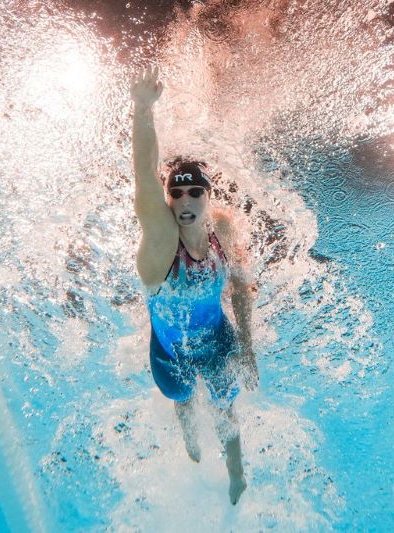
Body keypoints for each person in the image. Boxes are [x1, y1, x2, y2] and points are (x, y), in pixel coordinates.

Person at [130, 65, 259, 505]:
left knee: (226, 402)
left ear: (208, 197)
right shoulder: (162, 244)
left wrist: (247, 345)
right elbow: (145, 178)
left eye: (194, 193)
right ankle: (190, 439)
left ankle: (237, 476)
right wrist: (143, 110)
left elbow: (241, 285)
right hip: (170, 353)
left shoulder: (222, 229)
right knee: (183, 397)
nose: (184, 200)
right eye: (176, 194)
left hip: (218, 337)